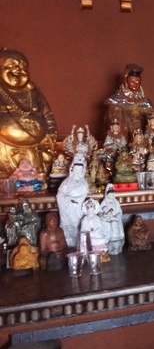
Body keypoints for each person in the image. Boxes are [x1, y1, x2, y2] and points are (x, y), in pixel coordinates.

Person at [0, 49, 57, 177]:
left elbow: (48, 115)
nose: (18, 70)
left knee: (37, 173)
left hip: (35, 147)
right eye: (11, 66)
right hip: (4, 149)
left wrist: (51, 134)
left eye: (22, 66)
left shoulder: (33, 92)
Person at [105, 64, 154, 137]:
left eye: (137, 82)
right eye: (132, 82)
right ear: (126, 82)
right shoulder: (117, 100)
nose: (135, 85)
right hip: (123, 133)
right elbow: (112, 119)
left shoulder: (145, 101)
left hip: (140, 136)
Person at [56, 159, 89, 248]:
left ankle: (78, 243)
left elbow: (84, 195)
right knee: (67, 227)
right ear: (72, 169)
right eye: (76, 169)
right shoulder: (66, 182)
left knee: (77, 225)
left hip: (77, 209)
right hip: (66, 209)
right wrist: (68, 199)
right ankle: (66, 242)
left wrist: (76, 201)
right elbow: (60, 195)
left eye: (79, 170)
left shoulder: (84, 183)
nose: (77, 172)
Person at [99, 184, 124, 255]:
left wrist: (116, 216)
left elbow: (119, 211)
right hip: (106, 219)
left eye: (113, 193)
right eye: (110, 193)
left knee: (114, 224)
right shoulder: (104, 202)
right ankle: (108, 246)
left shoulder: (116, 202)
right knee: (107, 226)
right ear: (107, 193)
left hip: (115, 219)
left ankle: (117, 245)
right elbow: (101, 211)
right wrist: (105, 215)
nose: (111, 194)